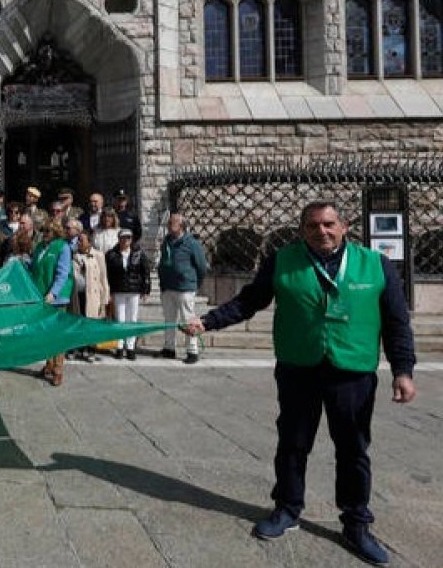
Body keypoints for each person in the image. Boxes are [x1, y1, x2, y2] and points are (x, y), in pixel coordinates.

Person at [184, 202, 416, 566]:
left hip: (352, 371)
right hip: (299, 367)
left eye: (328, 224)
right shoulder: (282, 260)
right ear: (301, 230)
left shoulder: (376, 264)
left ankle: (356, 523)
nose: (321, 231)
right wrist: (208, 322)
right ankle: (288, 509)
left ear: (344, 226)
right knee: (292, 443)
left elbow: (397, 321)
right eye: (312, 226)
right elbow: (250, 301)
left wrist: (403, 370)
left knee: (353, 450)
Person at [158, 212, 208, 364]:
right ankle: (169, 348)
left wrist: (195, 283)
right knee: (169, 319)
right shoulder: (166, 242)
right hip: (168, 286)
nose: (168, 225)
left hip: (185, 287)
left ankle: (192, 350)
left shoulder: (191, 243)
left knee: (188, 319)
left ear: (181, 226)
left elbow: (201, 266)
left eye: (171, 223)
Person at [33, 220, 73, 386]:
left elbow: (63, 273)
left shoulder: (62, 247)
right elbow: (35, 267)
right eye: (43, 230)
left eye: (48, 230)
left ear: (56, 231)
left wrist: (54, 292)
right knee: (46, 333)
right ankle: (49, 363)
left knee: (57, 334)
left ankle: (58, 369)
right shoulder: (39, 247)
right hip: (41, 295)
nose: (45, 233)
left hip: (56, 297)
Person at [105, 229, 150, 360]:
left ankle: (130, 347)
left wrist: (146, 289)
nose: (125, 241)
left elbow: (145, 272)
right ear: (119, 239)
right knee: (120, 319)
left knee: (132, 319)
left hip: (134, 290)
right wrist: (108, 291)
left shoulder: (139, 254)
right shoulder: (111, 255)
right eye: (123, 238)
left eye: (128, 238)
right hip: (119, 290)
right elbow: (108, 274)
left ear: (131, 239)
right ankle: (120, 346)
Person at [71, 231, 111, 362]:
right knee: (78, 321)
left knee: (90, 322)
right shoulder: (74, 255)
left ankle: (90, 349)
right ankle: (78, 347)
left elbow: (103, 278)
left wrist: (105, 299)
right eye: (78, 240)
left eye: (82, 240)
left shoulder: (98, 255)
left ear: (89, 242)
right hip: (78, 294)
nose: (79, 242)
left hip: (92, 295)